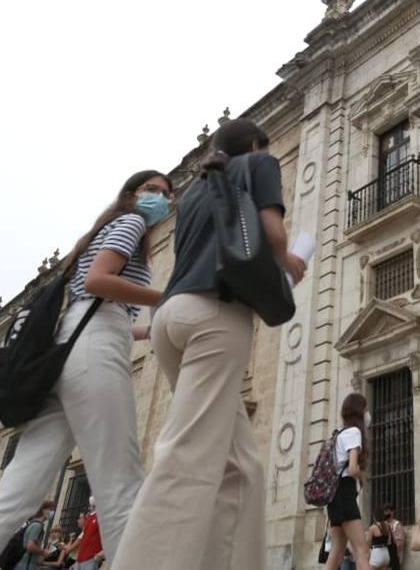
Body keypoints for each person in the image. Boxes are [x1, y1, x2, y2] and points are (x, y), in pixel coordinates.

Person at [0, 170, 172, 570]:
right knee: (121, 483)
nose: (162, 199)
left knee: (16, 494)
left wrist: (146, 330)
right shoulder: (130, 222)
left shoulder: (100, 232)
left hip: (73, 349)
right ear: (131, 195)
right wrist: (166, 295)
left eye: (167, 193)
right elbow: (100, 283)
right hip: (93, 349)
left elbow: (90, 306)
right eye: (153, 190)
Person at [116, 120, 306, 570]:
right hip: (216, 317)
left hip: (171, 320)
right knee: (188, 456)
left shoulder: (195, 193)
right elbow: (272, 233)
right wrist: (290, 261)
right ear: (256, 144)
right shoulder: (259, 162)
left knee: (242, 469)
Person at [322, 393, 371, 570]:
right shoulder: (354, 432)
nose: (368, 414)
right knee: (362, 550)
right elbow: (352, 468)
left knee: (336, 553)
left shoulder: (338, 434)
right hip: (344, 492)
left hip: (334, 497)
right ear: (359, 411)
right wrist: (361, 477)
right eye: (366, 409)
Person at [12, 502, 55, 570]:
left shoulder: (33, 523)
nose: (53, 512)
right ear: (43, 510)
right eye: (51, 509)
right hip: (26, 564)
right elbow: (30, 546)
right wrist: (43, 552)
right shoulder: (37, 526)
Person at [72, 498, 101, 570]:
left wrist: (100, 554)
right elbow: (85, 538)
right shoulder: (89, 517)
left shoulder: (101, 516)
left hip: (90, 557)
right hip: (80, 558)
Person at [378, 505, 403, 570]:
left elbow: (399, 541)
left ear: (392, 512)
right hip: (382, 555)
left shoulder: (397, 524)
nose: (385, 513)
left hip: (393, 555)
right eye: (384, 511)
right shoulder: (381, 524)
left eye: (386, 511)